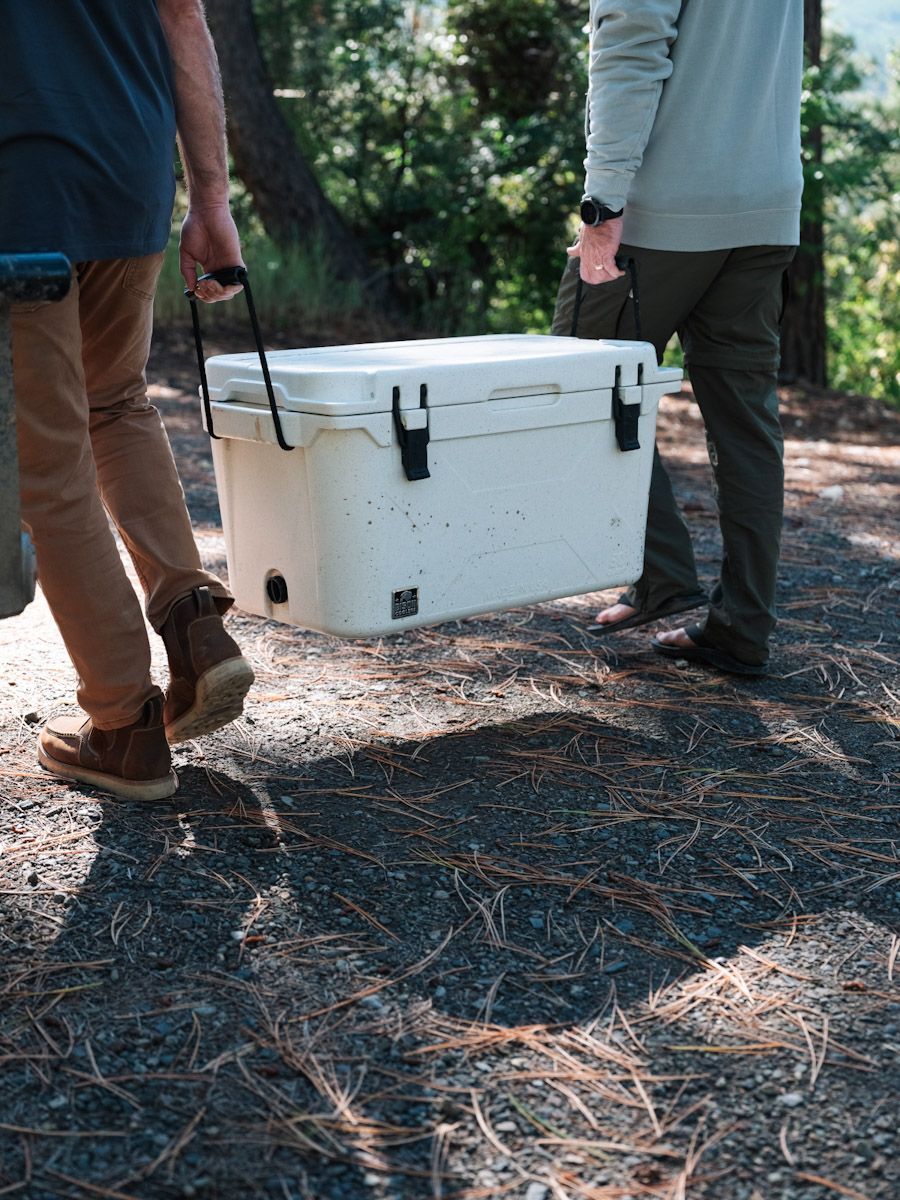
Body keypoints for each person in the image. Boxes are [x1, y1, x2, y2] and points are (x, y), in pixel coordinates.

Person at [2, 0, 254, 800]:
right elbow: (184, 17)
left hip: (21, 190)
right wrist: (211, 200)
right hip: (128, 175)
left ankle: (122, 726)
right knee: (115, 403)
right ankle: (195, 624)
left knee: (48, 460)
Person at [552, 0, 803, 676]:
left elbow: (630, 46)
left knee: (573, 382)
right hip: (768, 203)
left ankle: (660, 572)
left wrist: (601, 203)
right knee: (747, 425)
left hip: (660, 212)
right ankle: (742, 628)